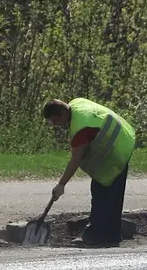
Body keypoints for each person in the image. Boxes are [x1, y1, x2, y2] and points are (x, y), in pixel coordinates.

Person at [42, 98, 136, 247]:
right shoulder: (77, 103)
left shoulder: (80, 128)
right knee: (114, 194)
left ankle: (95, 236)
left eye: (55, 121)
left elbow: (76, 159)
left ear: (62, 113)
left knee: (100, 192)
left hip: (115, 153)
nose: (55, 125)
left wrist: (61, 185)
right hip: (124, 139)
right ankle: (112, 235)